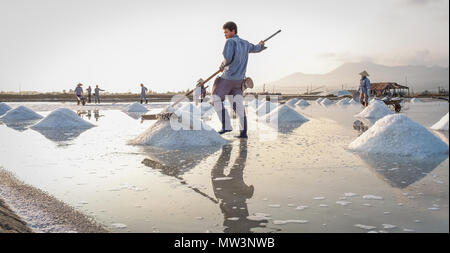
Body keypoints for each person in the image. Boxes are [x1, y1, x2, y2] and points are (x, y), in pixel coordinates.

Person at [212, 21, 267, 138]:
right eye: (224, 33)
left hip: (228, 78)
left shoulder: (230, 42)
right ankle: (243, 133)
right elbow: (256, 48)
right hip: (239, 81)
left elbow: (228, 59)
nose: (225, 35)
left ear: (233, 31)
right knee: (238, 106)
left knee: (215, 99)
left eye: (226, 32)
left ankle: (226, 125)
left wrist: (222, 66)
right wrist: (261, 45)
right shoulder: (246, 43)